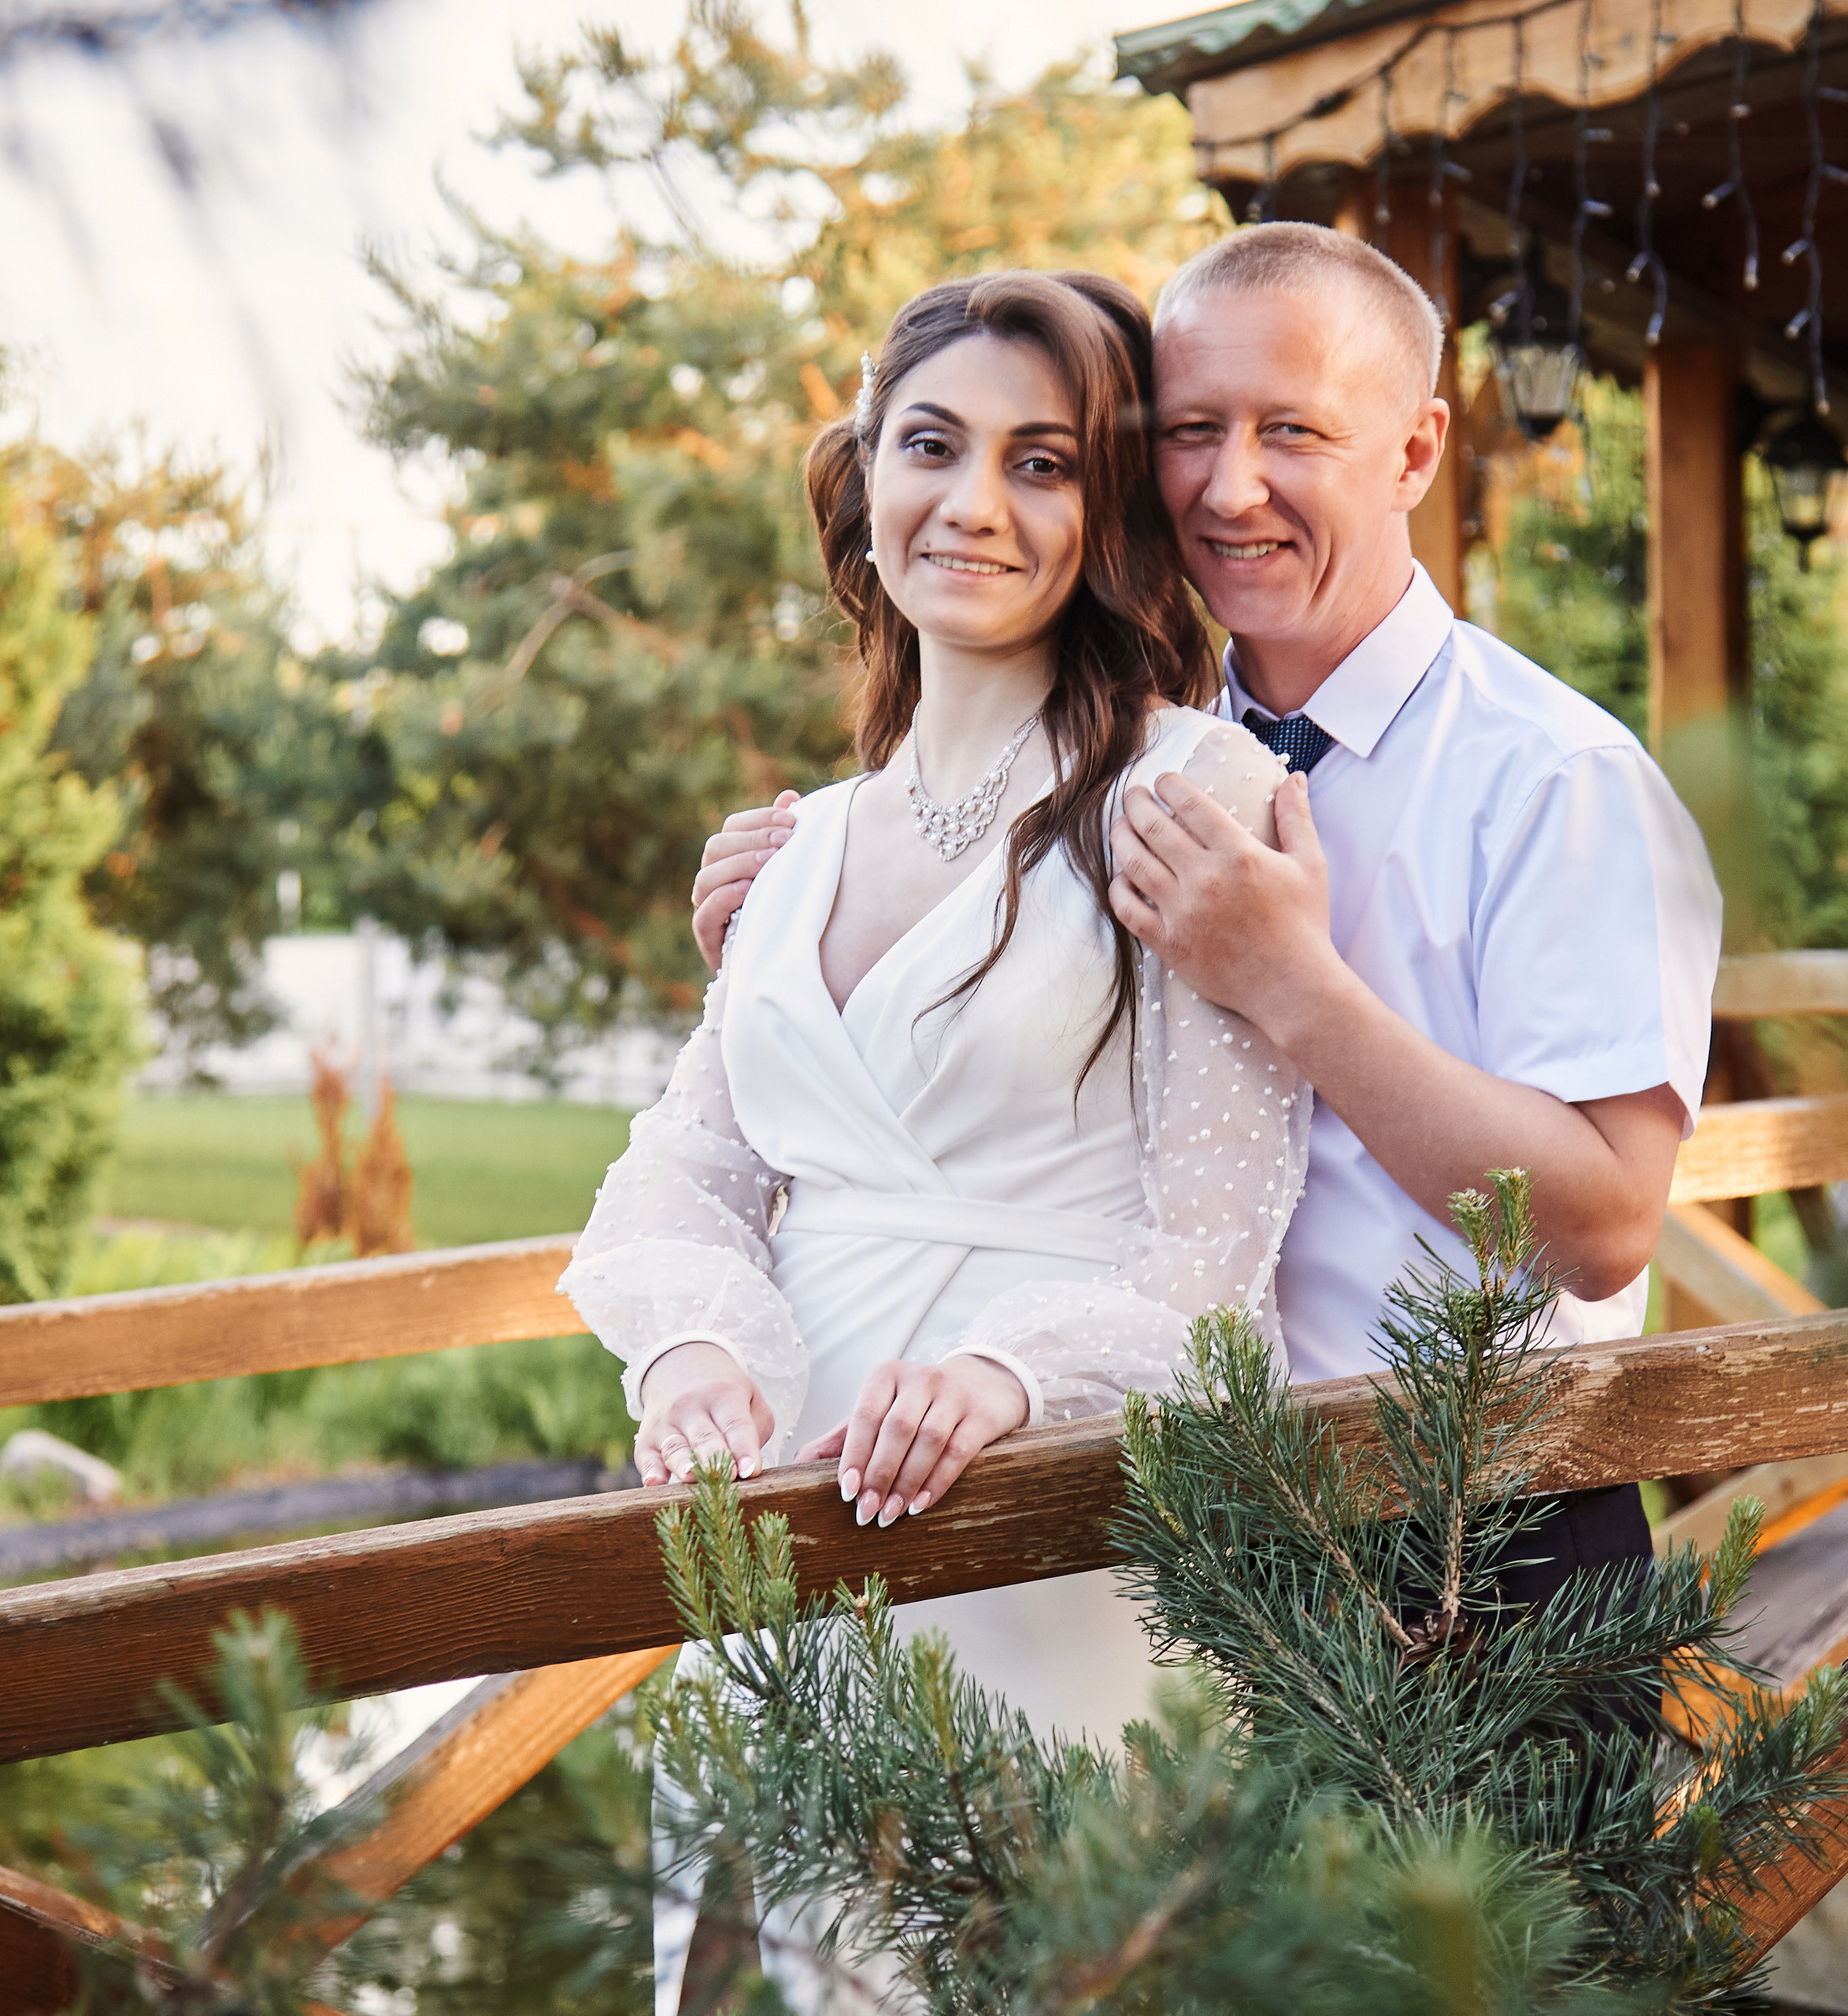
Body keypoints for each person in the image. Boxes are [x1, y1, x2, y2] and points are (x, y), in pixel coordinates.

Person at [694, 224, 1722, 1612]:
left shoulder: (1556, 781)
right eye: (1192, 432)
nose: (1234, 489)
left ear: (1415, 452)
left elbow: (1600, 1226)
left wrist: (1296, 986)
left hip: (1472, 1531)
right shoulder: (1140, 764)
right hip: (1182, 1520)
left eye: (1293, 432)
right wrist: (783, 955)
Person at [559, 268, 1309, 2013]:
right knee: (773, 1962)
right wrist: (687, 1346)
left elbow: (1212, 1270)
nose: (971, 503)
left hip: (1031, 1507)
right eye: (930, 444)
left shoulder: (1190, 789)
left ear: (1107, 508)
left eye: (1040, 462)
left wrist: (995, 1372)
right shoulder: (797, 840)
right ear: (865, 478)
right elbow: (689, 1166)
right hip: (775, 1505)